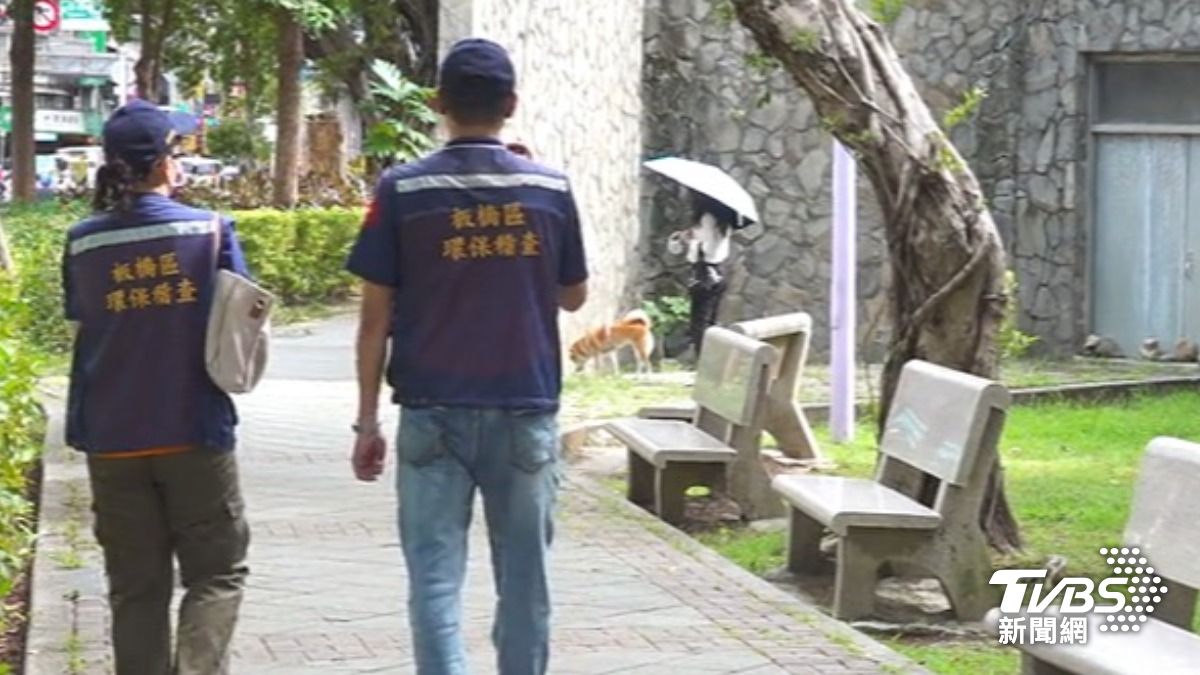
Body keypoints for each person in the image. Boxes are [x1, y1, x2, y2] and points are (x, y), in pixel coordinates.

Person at [345, 38, 588, 675]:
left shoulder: (401, 191)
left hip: (431, 412)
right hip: (524, 409)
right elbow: (573, 295)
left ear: (438, 103)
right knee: (526, 583)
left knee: (434, 581)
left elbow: (373, 322)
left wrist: (367, 422)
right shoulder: (549, 189)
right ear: (511, 104)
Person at [61, 100, 252, 675]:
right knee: (216, 573)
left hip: (113, 438)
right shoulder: (210, 231)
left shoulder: (83, 242)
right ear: (166, 162)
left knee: (135, 588)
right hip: (193, 430)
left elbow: (81, 323)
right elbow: (241, 322)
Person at [667, 191, 738, 357]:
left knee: (699, 323)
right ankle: (711, 359)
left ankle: (702, 359)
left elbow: (705, 248)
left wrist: (690, 239)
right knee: (711, 321)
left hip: (704, 274)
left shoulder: (706, 218)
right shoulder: (725, 219)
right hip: (718, 272)